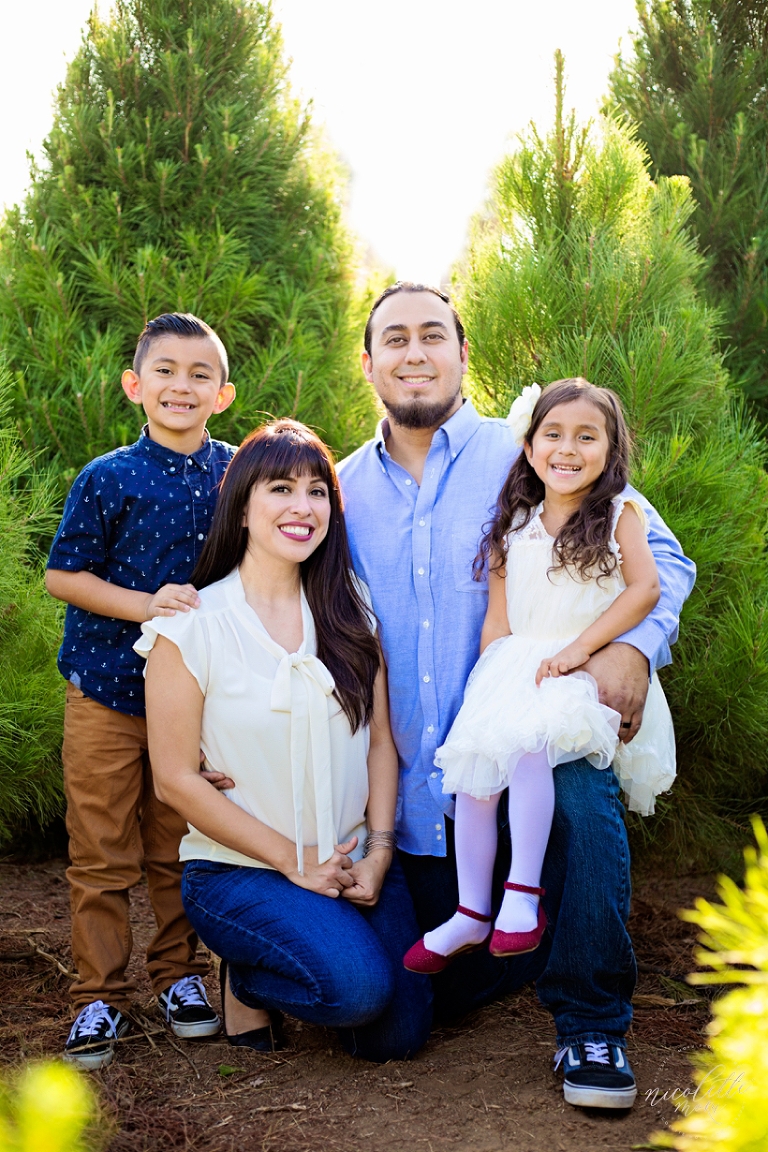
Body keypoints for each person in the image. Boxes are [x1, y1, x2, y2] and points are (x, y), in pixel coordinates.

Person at [337, 283, 695, 1109]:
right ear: (368, 362)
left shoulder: (533, 449)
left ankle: (591, 1022)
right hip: (415, 794)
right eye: (396, 338)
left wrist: (631, 650)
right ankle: (506, 941)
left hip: (544, 717)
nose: (415, 352)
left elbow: (663, 562)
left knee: (581, 795)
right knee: (389, 1024)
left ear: (464, 354)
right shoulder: (340, 488)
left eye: (434, 335)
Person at [136, 420, 432, 1063]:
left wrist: (380, 853)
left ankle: (322, 948)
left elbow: (381, 742)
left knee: (398, 1036)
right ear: (242, 508)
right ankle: (245, 979)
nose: (303, 507)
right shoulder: (191, 627)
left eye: (317, 491)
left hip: (350, 858)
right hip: (242, 869)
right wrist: (293, 861)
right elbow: (175, 779)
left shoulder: (351, 609)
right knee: (358, 991)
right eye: (280, 489)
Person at [404, 378, 676, 975]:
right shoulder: (513, 526)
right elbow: (497, 622)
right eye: (552, 434)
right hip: (517, 668)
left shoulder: (620, 516)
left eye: (587, 436)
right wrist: (485, 694)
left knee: (530, 748)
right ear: (528, 448)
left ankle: (522, 893)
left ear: (612, 450)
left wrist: (583, 649)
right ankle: (471, 910)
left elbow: (647, 589)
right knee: (476, 777)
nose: (568, 448)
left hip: (583, 667)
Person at [46, 312, 236, 1070]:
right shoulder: (108, 476)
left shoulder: (237, 475)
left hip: (193, 702)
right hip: (106, 692)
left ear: (223, 394)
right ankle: (98, 994)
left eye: (200, 375)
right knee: (100, 850)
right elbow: (64, 575)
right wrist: (146, 604)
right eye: (166, 371)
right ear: (135, 385)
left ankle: (179, 977)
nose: (181, 386)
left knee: (179, 844)